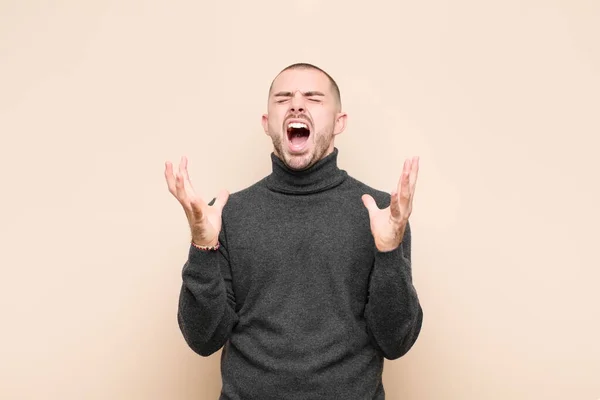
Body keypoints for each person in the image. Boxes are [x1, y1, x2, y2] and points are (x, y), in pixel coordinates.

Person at [164, 63, 423, 400]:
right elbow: (203, 339)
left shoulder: (382, 213)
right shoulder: (226, 215)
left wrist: (389, 252)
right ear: (267, 122)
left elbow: (396, 341)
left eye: (313, 98)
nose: (297, 105)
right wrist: (202, 247)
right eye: (283, 98)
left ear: (339, 122)